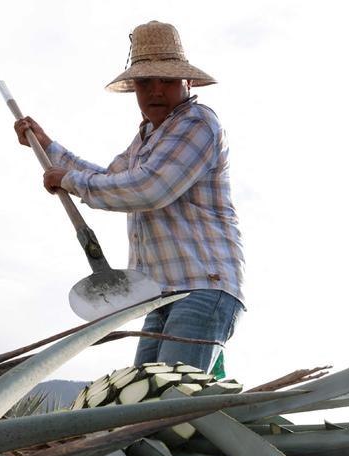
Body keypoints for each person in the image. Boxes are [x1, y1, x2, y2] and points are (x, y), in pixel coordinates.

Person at [14, 20, 244, 374]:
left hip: (201, 287)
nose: (155, 91)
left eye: (166, 81)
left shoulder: (197, 124)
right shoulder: (147, 139)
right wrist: (47, 148)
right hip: (157, 293)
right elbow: (111, 178)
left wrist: (71, 181)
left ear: (187, 82)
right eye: (144, 82)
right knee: (145, 400)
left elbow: (148, 189)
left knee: (168, 404)